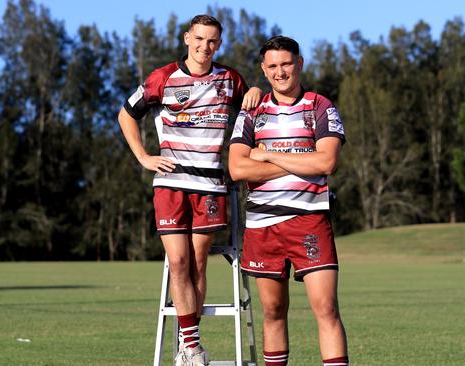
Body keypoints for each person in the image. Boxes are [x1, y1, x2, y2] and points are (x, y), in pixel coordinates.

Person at [117, 14, 262, 366]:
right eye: (198, 39)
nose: (204, 47)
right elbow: (126, 114)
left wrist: (256, 90)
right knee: (178, 262)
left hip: (210, 185)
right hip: (171, 183)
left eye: (212, 41)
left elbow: (257, 112)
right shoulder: (162, 77)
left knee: (198, 263)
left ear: (219, 43)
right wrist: (143, 157)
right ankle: (192, 346)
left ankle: (189, 343)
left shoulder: (229, 79)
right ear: (186, 38)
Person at [228, 35, 349, 366]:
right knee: (273, 311)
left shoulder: (320, 106)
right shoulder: (253, 112)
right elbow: (238, 167)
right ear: (264, 70)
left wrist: (267, 156)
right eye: (273, 66)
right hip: (263, 225)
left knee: (325, 308)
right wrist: (298, 163)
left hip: (309, 220)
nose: (280, 72)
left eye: (286, 64)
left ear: (300, 64)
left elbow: (325, 163)